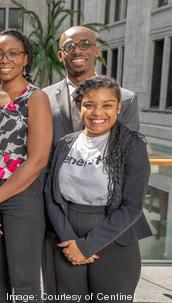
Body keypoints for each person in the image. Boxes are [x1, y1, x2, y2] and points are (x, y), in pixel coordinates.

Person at [42, 26, 140, 299]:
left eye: (86, 43)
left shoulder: (127, 100)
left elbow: (129, 184)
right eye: (71, 45)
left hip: (111, 226)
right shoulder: (42, 98)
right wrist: (69, 238)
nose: (78, 50)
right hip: (62, 221)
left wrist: (87, 245)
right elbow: (47, 175)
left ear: (97, 50)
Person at [0, 29, 52, 303]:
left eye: (13, 53)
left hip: (21, 197)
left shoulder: (35, 98)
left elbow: (38, 160)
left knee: (24, 281)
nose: (5, 59)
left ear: (25, 58)